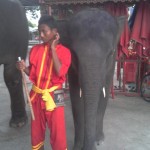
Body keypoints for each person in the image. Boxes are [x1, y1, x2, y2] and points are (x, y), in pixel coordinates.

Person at [16, 15, 71, 150]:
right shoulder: (35, 50)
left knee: (58, 133)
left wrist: (53, 49)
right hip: (36, 95)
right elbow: (33, 73)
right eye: (39, 31)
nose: (40, 35)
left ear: (54, 32)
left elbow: (60, 72)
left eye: (44, 31)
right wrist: (24, 68)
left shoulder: (65, 52)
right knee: (36, 132)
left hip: (54, 95)